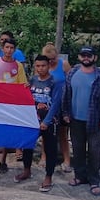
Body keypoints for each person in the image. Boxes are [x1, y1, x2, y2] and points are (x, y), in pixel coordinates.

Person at [62, 46, 100, 196]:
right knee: (78, 150)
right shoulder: (72, 73)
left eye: (89, 55)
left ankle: (94, 180)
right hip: (75, 119)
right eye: (83, 55)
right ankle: (80, 176)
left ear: (95, 58)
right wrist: (65, 113)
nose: (86, 58)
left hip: (95, 121)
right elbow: (66, 95)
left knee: (94, 151)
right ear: (79, 57)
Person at [14, 55, 62, 192]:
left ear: (49, 66)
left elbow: (56, 104)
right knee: (28, 145)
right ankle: (27, 170)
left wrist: (46, 121)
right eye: (38, 66)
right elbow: (28, 98)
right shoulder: (33, 80)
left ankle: (48, 177)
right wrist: (25, 89)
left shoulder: (55, 82)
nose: (40, 69)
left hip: (49, 121)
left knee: (50, 149)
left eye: (43, 66)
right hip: (32, 119)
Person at [0, 37, 28, 174]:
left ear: (15, 50)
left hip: (9, 105)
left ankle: (3, 161)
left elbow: (22, 84)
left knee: (6, 132)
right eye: (7, 47)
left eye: (11, 48)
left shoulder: (18, 66)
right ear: (3, 48)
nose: (9, 50)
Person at [43, 42, 72, 172]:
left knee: (62, 134)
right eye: (48, 60)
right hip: (47, 104)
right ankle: (44, 157)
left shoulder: (64, 64)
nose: (51, 62)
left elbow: (71, 83)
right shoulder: (43, 66)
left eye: (53, 59)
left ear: (57, 56)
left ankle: (67, 160)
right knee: (46, 132)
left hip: (61, 103)